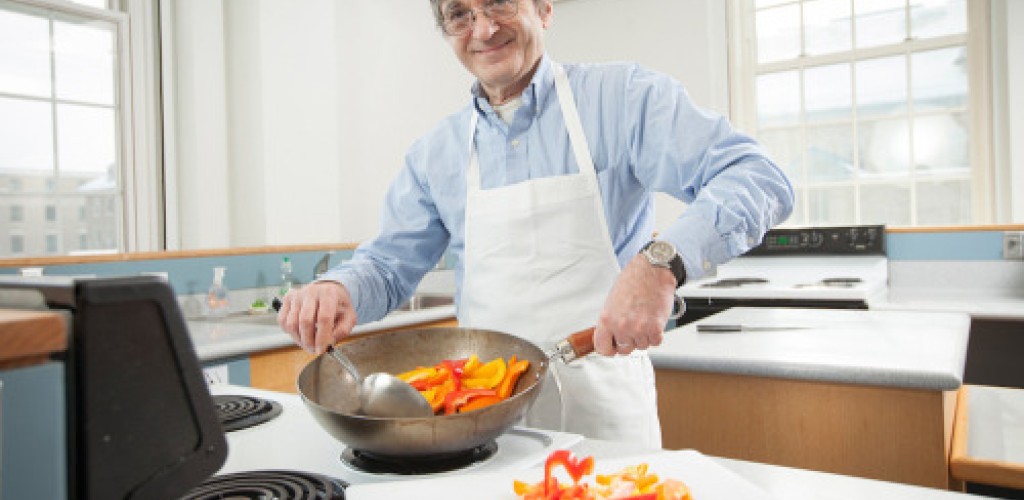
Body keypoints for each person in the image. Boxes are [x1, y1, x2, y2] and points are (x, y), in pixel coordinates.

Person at [279, 0, 794, 447]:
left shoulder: (623, 99)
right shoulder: (435, 155)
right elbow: (388, 265)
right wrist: (338, 288)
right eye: (459, 14)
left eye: (500, 3)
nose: (483, 29)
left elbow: (759, 176)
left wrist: (661, 264)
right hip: (481, 428)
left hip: (607, 416)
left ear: (544, 9)